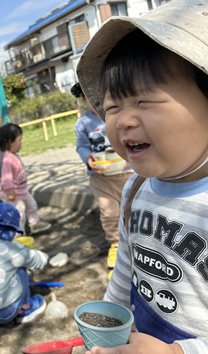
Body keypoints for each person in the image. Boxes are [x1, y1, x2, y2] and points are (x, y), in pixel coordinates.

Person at [76, 1, 208, 354]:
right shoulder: (137, 190)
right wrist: (106, 334)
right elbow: (126, 272)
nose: (124, 120)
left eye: (145, 100)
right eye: (111, 107)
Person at [71, 82, 133, 277]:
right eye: (87, 98)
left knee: (132, 208)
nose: (93, 102)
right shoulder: (83, 123)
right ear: (82, 99)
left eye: (96, 95)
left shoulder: (119, 115)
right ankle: (115, 243)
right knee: (109, 212)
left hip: (128, 172)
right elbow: (81, 146)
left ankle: (136, 240)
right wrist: (87, 158)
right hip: (101, 178)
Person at [0, 123, 51, 234]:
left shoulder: (14, 155)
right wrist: (10, 191)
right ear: (10, 142)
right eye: (19, 140)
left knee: (32, 206)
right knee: (19, 215)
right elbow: (6, 178)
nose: (21, 143)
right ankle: (19, 235)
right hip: (14, 195)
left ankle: (34, 224)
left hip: (23, 191)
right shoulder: (7, 160)